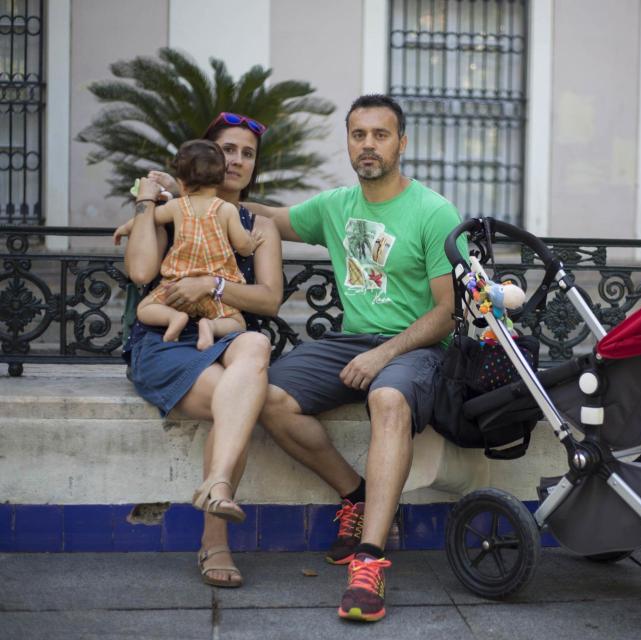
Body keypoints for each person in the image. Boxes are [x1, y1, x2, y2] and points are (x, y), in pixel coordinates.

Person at [246, 94, 467, 622]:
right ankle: (357, 494)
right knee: (267, 396)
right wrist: (184, 202)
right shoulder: (335, 206)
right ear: (348, 142)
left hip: (417, 346)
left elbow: (447, 312)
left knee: (388, 399)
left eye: (380, 135)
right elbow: (270, 218)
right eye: (358, 135)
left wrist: (386, 354)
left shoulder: (433, 211)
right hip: (352, 342)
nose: (368, 145)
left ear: (401, 143)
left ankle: (369, 562)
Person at [117, 111, 283, 588]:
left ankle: (215, 488)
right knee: (243, 398)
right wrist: (146, 203)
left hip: (226, 334)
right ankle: (216, 534)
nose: (236, 161)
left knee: (255, 340)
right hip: (166, 340)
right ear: (205, 156)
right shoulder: (172, 210)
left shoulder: (258, 225)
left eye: (247, 154)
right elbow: (142, 272)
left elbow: (268, 300)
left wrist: (209, 283)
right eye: (227, 149)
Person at [135, 139, 264, 350]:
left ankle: (174, 318)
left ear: (182, 184)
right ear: (221, 177)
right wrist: (252, 242)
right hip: (213, 290)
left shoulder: (176, 206)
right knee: (238, 323)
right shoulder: (226, 210)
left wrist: (127, 227)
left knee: (144, 309)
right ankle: (210, 327)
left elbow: (148, 217)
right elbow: (243, 246)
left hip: (176, 286)